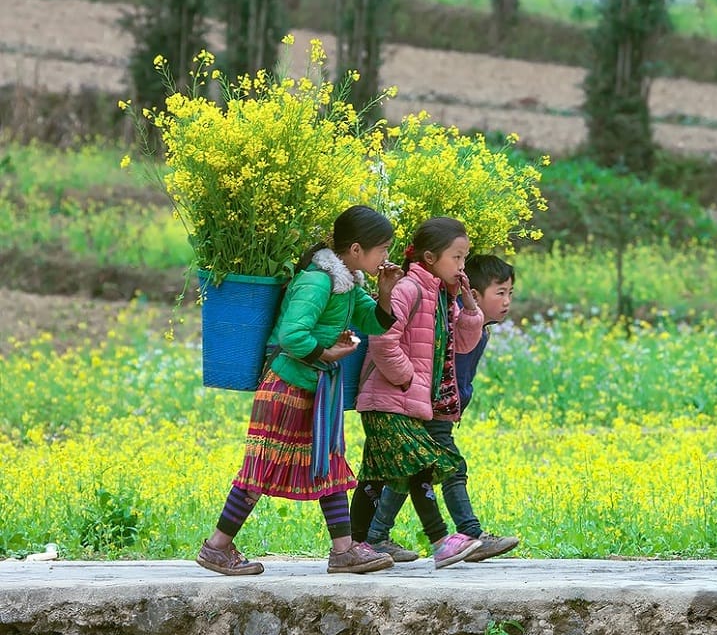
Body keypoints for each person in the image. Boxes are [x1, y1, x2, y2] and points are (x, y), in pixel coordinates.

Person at [196, 205, 404, 576]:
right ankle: (217, 547)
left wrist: (386, 292)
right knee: (262, 468)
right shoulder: (318, 281)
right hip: (287, 388)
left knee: (329, 464)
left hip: (312, 389)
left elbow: (374, 321)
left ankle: (343, 551)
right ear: (356, 250)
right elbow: (293, 335)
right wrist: (326, 352)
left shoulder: (349, 284)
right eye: (382, 249)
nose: (385, 256)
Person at [354, 254, 520, 564]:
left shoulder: (477, 328)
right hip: (428, 409)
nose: (507, 301)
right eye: (500, 293)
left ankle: (376, 535)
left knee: (404, 475)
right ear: (474, 293)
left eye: (510, 293)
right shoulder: (448, 320)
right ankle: (470, 534)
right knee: (451, 468)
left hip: (441, 410)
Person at [350, 216, 485, 569]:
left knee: (376, 475)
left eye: (464, 258)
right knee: (419, 466)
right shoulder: (409, 289)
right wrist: (409, 380)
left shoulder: (444, 295)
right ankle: (441, 541)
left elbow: (464, 344)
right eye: (456, 257)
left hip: (405, 402)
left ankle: (353, 545)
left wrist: (470, 308)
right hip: (387, 399)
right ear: (429, 257)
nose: (461, 265)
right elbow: (382, 340)